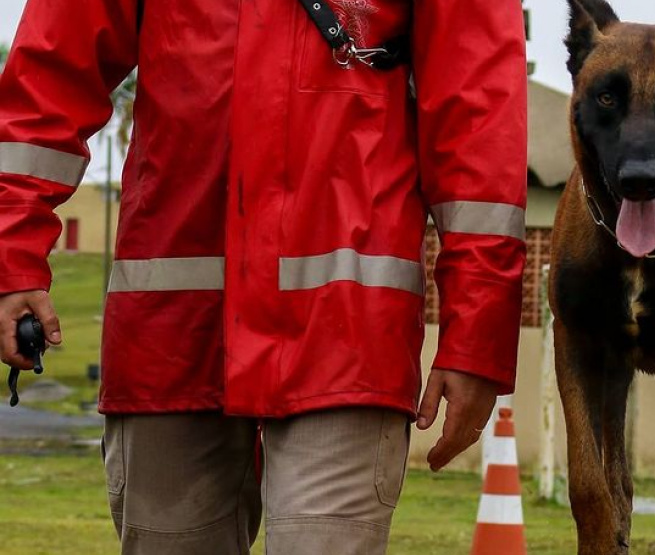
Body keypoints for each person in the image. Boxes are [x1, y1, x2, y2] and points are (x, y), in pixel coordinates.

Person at [0, 0, 528, 552]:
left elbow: (478, 117)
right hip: (172, 336)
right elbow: (48, 82)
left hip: (344, 337)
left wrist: (477, 336)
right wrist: (11, 258)